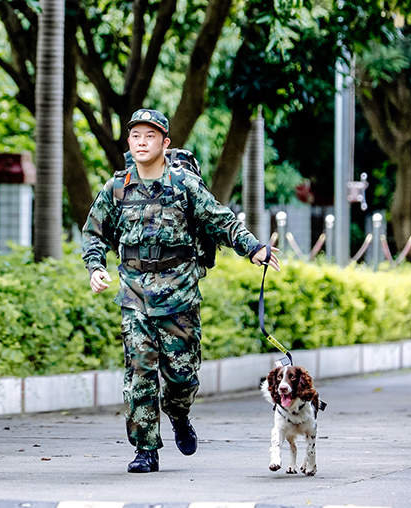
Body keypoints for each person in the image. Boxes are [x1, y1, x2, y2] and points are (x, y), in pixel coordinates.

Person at [81, 107, 280, 474]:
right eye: (136, 136)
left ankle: (179, 413)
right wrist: (96, 267)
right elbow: (94, 233)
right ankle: (145, 449)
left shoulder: (184, 185)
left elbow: (220, 219)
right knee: (139, 371)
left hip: (180, 295)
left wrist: (254, 248)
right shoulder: (117, 188)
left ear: (165, 142)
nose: (142, 142)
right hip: (134, 295)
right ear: (129, 142)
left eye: (151, 136)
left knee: (181, 377)